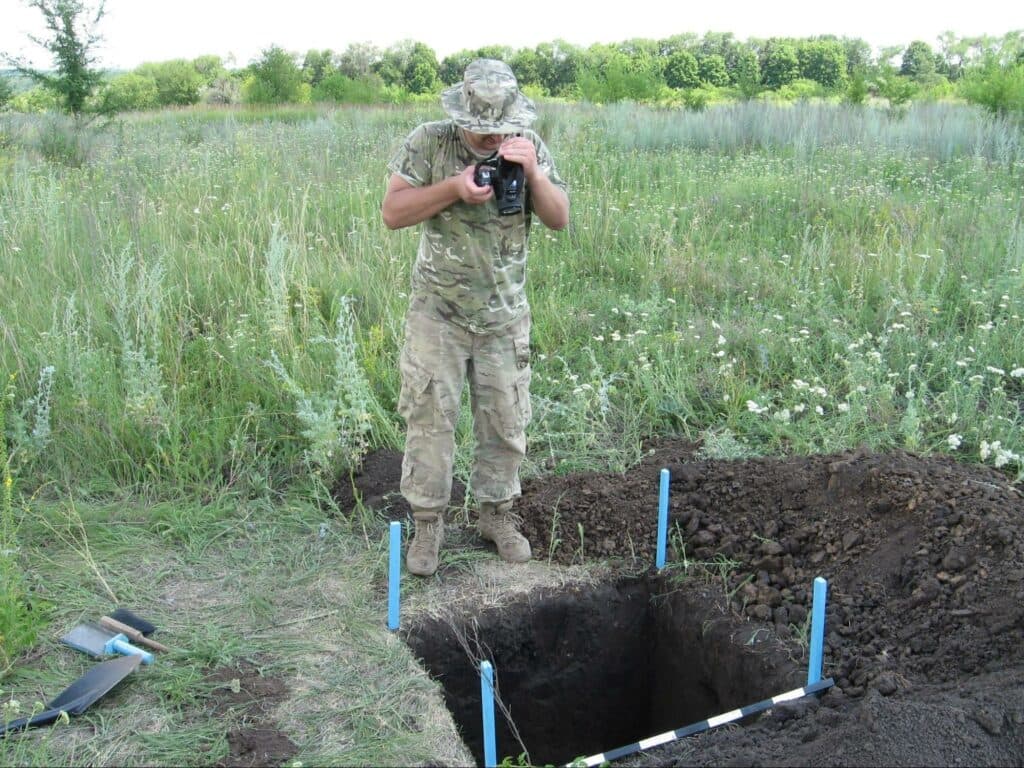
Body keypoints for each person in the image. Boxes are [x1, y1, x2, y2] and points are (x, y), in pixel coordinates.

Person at [381, 58, 569, 577]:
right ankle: (428, 526)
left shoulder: (527, 145)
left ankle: (497, 516)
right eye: (480, 129)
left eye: (498, 129)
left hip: (505, 318)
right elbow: (393, 212)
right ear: (460, 113)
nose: (489, 139)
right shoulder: (430, 141)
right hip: (437, 315)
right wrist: (453, 190)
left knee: (505, 424)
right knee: (429, 423)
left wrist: (531, 171)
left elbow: (559, 218)